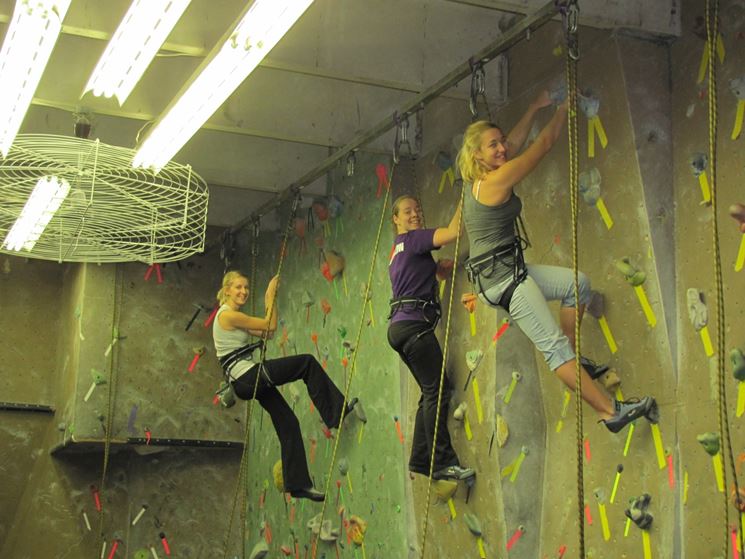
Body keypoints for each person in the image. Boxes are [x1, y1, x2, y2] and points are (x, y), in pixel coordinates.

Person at [456, 91, 657, 433]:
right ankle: (612, 412)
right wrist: (563, 110)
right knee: (554, 347)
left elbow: (515, 144)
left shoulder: (485, 176)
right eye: (493, 146)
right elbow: (544, 143)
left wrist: (534, 107)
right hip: (503, 282)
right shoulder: (493, 181)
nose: (502, 148)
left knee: (576, 284)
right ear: (477, 154)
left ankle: (572, 360)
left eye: (501, 142)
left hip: (508, 272)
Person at [213, 270, 362, 501]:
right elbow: (270, 326)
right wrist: (270, 296)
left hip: (245, 381)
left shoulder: (233, 317)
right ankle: (336, 413)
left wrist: (269, 304)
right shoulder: (227, 316)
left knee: (288, 422)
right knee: (306, 363)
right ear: (226, 290)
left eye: (245, 287)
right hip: (248, 377)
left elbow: (268, 332)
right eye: (238, 287)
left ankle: (298, 484)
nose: (243, 291)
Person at [387, 196, 476, 481]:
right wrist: (467, 192)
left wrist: (437, 271)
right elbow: (454, 231)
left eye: (418, 209)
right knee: (438, 391)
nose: (415, 214)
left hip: (401, 327)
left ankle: (421, 459)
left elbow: (413, 279)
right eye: (407, 211)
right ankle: (442, 462)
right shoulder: (413, 239)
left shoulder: (397, 251)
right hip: (414, 327)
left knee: (430, 392)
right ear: (396, 219)